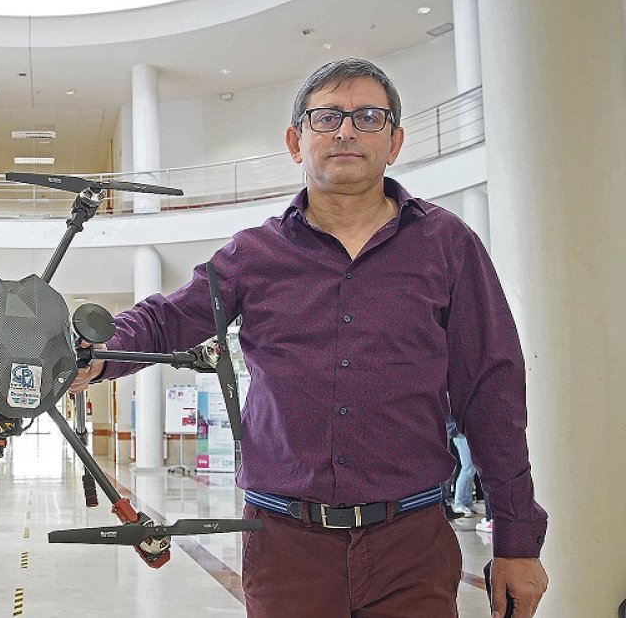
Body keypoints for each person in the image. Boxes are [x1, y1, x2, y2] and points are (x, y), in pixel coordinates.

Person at [70, 58, 548, 617]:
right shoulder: (254, 254)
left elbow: (491, 389)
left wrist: (516, 541)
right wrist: (95, 357)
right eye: (327, 117)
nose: (346, 131)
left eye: (368, 117)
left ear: (395, 142)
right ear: (296, 142)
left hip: (412, 545)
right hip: (285, 547)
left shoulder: (447, 245)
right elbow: (166, 320)